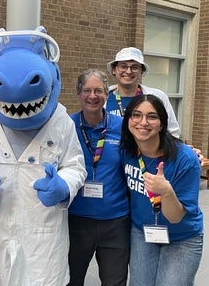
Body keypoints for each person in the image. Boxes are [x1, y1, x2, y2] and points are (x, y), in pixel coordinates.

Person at [0, 27, 87, 285]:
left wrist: (63, 186)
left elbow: (76, 166)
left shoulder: (62, 122)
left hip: (44, 239)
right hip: (1, 234)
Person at [121, 94, 204, 286]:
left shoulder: (185, 159)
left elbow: (176, 217)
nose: (143, 122)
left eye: (152, 116)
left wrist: (166, 191)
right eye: (136, 115)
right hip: (143, 232)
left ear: (162, 123)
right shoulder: (127, 151)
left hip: (182, 237)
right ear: (128, 121)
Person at [68, 69, 130, 286]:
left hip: (115, 220)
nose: (92, 96)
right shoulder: (66, 126)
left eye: (98, 91)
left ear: (107, 95)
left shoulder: (122, 127)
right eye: (86, 90)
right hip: (76, 219)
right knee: (70, 280)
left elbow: (151, 143)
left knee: (114, 282)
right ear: (78, 93)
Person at [106, 47, 180, 137]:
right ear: (114, 70)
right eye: (123, 66)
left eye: (135, 67)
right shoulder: (103, 97)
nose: (128, 71)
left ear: (142, 71)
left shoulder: (158, 97)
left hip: (146, 150)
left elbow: (172, 132)